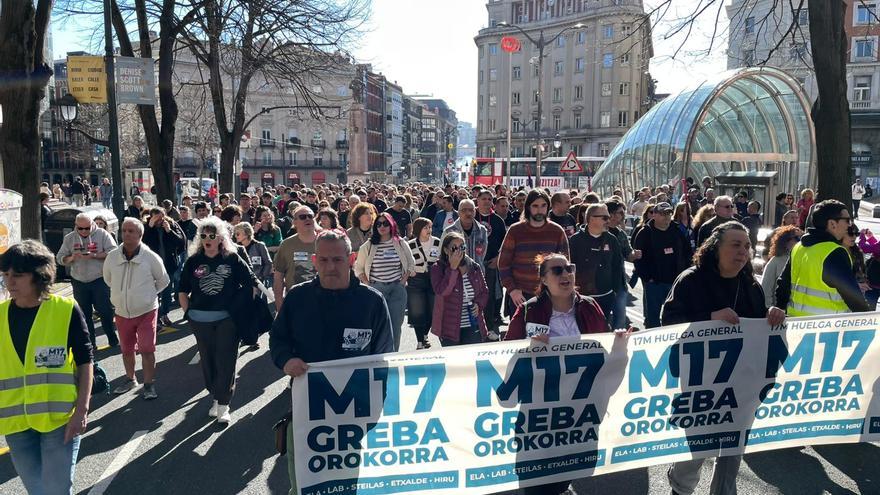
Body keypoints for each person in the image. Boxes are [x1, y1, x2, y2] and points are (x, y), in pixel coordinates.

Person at [662, 222, 785, 495]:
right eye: (736, 244)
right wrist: (709, 319)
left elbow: (757, 325)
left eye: (747, 245)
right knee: (698, 447)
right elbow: (668, 322)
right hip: (700, 382)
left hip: (742, 383)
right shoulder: (691, 280)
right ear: (715, 248)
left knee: (733, 448)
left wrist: (771, 314)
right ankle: (680, 487)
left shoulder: (750, 284)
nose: (743, 251)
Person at [269, 230, 393, 495]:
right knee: (304, 484)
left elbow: (384, 358)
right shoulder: (298, 298)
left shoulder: (371, 301)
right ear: (314, 260)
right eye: (323, 260)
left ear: (350, 259)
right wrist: (286, 360)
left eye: (337, 260)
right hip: (305, 411)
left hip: (354, 413)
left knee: (347, 484)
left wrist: (376, 410)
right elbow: (277, 340)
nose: (330, 266)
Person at [0, 241, 94, 495]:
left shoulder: (64, 309)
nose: (10, 283)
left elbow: (86, 360)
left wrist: (82, 410)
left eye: (18, 275)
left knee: (56, 489)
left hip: (59, 418)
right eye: (5, 275)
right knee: (38, 491)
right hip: (15, 423)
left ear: (40, 275)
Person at [178, 217, 257, 424]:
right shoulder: (193, 261)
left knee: (226, 360)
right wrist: (189, 314)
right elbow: (182, 290)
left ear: (221, 238)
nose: (207, 239)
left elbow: (249, 282)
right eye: (203, 235)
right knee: (208, 361)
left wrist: (238, 309)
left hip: (226, 320)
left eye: (212, 235)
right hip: (200, 320)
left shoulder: (231, 258)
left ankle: (224, 404)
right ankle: (216, 395)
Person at [103, 218, 170, 399]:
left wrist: (148, 295)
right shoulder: (112, 256)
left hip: (146, 311)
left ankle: (148, 384)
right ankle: (130, 379)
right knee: (126, 349)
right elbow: (108, 279)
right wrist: (120, 296)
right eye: (124, 230)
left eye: (131, 231)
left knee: (147, 348)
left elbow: (164, 281)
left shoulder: (150, 257)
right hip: (122, 312)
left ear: (140, 234)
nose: (126, 234)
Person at [776, 200, 872, 316]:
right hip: (828, 328)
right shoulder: (835, 252)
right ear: (832, 224)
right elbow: (854, 299)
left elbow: (782, 286)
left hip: (795, 325)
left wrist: (781, 312)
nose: (849, 224)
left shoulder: (798, 247)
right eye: (847, 220)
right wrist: (869, 320)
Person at [498, 189, 570, 318]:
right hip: (520, 295)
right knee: (519, 335)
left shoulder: (557, 231)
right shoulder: (515, 230)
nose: (539, 210)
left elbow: (565, 265)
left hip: (549, 294)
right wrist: (512, 290)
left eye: (543, 206)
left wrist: (561, 291)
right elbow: (503, 263)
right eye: (535, 206)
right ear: (528, 207)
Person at [56, 213, 120, 349]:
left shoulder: (102, 234)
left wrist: (95, 255)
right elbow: (60, 258)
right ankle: (91, 344)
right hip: (79, 280)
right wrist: (71, 258)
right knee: (84, 314)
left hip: (99, 278)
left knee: (105, 311)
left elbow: (114, 253)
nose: (84, 231)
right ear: (76, 226)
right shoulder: (70, 238)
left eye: (87, 228)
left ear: (92, 225)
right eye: (81, 229)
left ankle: (112, 337)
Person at [355, 213, 416, 351]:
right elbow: (358, 269)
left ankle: (393, 356)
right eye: (378, 224)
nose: (382, 227)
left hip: (397, 290)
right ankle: (377, 356)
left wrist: (402, 282)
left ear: (391, 225)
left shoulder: (400, 243)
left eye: (385, 223)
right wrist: (369, 285)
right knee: (376, 326)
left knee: (395, 327)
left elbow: (411, 264)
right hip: (376, 290)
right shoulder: (369, 245)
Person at [632, 202, 693, 328]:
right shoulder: (645, 233)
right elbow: (638, 258)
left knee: (676, 316)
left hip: (675, 281)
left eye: (669, 213)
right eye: (662, 213)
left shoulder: (677, 231)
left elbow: (688, 253)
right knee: (652, 319)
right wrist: (647, 278)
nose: (666, 216)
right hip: (655, 283)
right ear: (654, 215)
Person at [569, 203, 625, 329]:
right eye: (605, 217)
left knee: (601, 329)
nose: (608, 220)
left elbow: (617, 266)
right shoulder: (575, 240)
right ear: (592, 218)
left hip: (606, 296)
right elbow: (570, 268)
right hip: (582, 298)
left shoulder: (612, 240)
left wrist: (614, 290)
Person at [430, 231, 489, 346]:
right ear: (446, 250)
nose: (459, 251)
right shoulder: (438, 268)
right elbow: (442, 292)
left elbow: (484, 292)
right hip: (449, 328)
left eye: (462, 247)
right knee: (453, 363)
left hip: (473, 325)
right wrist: (452, 268)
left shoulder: (474, 266)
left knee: (471, 362)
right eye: (454, 248)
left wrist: (479, 304)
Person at [142, 207, 185, 329]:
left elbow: (181, 242)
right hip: (150, 267)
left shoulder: (171, 224)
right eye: (156, 218)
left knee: (166, 293)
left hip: (168, 264)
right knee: (153, 293)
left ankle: (163, 313)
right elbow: (141, 243)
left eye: (161, 217)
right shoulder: (145, 226)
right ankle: (156, 318)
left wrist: (169, 231)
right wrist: (149, 227)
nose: (159, 221)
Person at [273, 206, 320, 311]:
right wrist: (280, 307)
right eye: (303, 217)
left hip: (321, 301)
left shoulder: (325, 242)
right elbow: (278, 278)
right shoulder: (286, 244)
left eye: (310, 216)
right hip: (295, 302)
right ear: (295, 222)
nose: (307, 219)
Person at [475, 190, 508, 339]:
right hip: (473, 265)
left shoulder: (497, 220)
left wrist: (498, 259)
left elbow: (505, 244)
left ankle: (488, 329)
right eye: (483, 199)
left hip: (490, 264)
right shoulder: (471, 216)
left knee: (488, 298)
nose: (487, 201)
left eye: (489, 199)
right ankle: (473, 328)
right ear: (477, 200)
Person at [407, 217, 440, 349]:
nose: (429, 230)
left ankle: (425, 335)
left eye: (430, 227)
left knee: (432, 310)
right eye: (426, 227)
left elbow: (442, 259)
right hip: (416, 279)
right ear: (418, 229)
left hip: (433, 278)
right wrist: (410, 271)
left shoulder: (437, 242)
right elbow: (405, 261)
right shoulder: (410, 244)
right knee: (417, 311)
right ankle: (420, 340)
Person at [761, 226, 801, 308]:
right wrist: (768, 309)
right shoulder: (775, 262)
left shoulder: (802, 260)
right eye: (796, 238)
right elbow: (766, 289)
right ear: (785, 241)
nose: (799, 241)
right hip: (778, 314)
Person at [442, 199, 489, 267]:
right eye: (464, 210)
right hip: (455, 275)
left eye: (471, 210)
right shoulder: (448, 232)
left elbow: (483, 254)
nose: (468, 213)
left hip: (476, 274)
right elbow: (442, 256)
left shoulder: (482, 231)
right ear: (458, 213)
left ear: (475, 212)